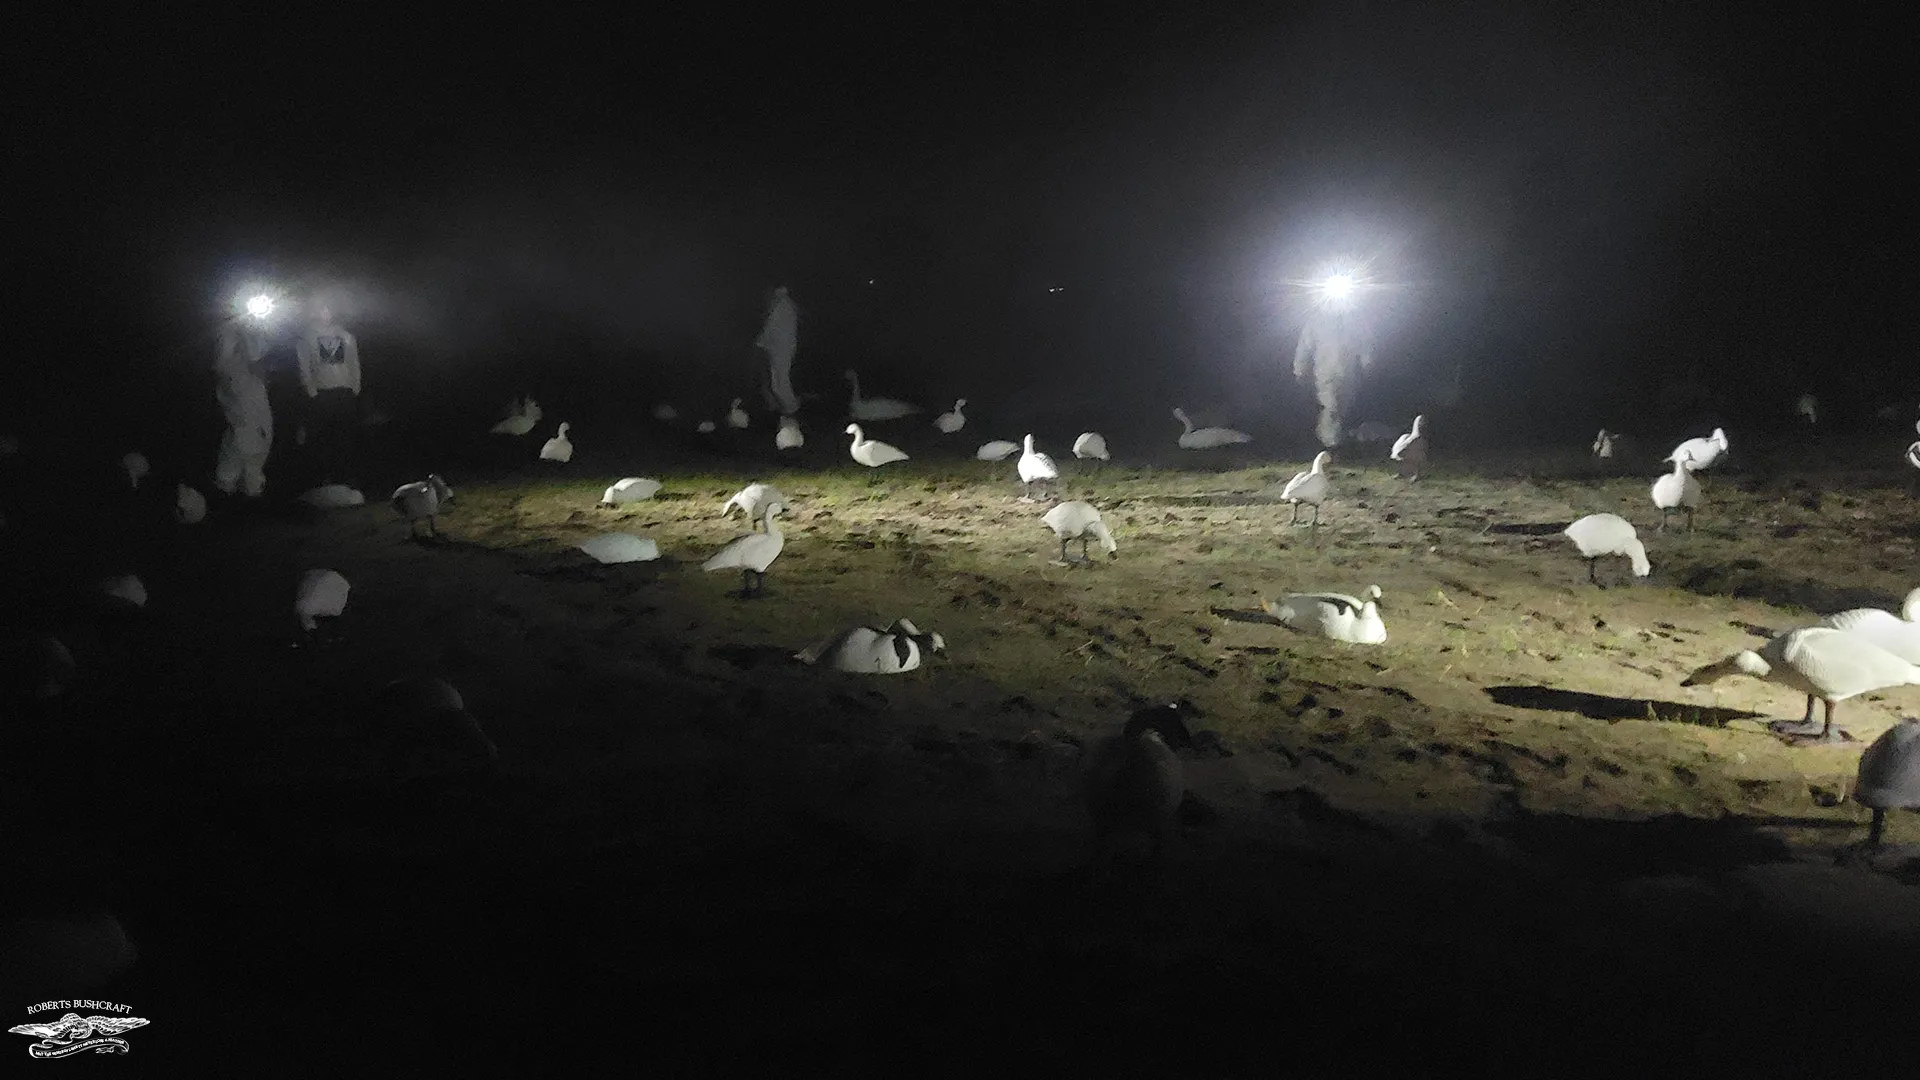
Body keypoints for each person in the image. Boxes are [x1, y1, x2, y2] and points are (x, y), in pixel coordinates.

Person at [295, 304, 363, 486]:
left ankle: (344, 476)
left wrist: (354, 388)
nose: (324, 313)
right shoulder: (307, 337)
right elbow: (304, 366)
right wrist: (312, 392)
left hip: (344, 392)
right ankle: (322, 478)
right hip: (322, 394)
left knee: (344, 437)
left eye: (328, 309)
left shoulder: (346, 336)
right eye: (320, 309)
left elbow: (354, 363)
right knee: (321, 438)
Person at [212, 317, 275, 497]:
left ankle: (249, 490)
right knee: (240, 444)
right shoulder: (227, 333)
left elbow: (259, 353)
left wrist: (256, 328)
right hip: (237, 395)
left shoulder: (257, 383)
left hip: (254, 398)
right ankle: (227, 491)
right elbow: (223, 363)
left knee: (258, 442)